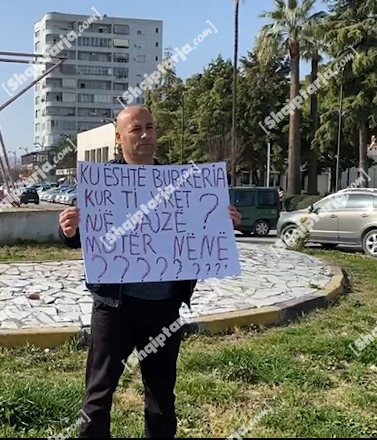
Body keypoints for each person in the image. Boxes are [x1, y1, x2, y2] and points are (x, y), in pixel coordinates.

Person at [58, 105, 242, 438]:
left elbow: (198, 232)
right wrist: (68, 230)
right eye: (136, 129)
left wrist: (221, 221)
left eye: (151, 128)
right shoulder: (99, 183)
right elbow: (79, 237)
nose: (145, 135)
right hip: (114, 308)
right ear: (118, 137)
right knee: (98, 396)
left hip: (164, 309)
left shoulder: (182, 184)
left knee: (161, 398)